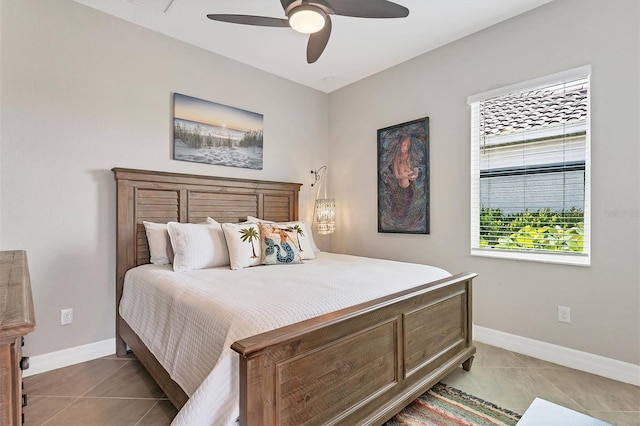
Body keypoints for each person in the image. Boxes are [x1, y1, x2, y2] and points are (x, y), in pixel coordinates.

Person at [390, 135, 418, 217]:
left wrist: (409, 174)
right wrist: (407, 175)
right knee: (395, 213)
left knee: (404, 215)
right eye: (404, 144)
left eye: (407, 146)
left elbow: (409, 171)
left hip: (408, 189)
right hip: (399, 190)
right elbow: (397, 176)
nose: (405, 147)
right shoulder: (396, 159)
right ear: (400, 144)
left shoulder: (408, 157)